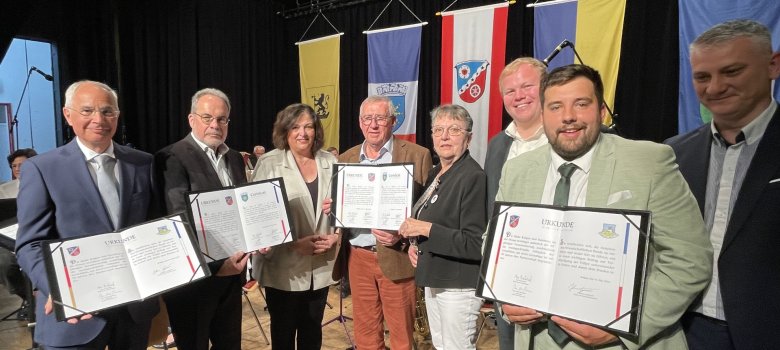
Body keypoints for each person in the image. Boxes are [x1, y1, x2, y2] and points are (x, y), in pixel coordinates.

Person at [497, 64, 712, 349]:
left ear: (601, 111)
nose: (568, 117)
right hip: (537, 340)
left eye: (581, 104)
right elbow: (497, 245)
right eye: (556, 106)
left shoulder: (649, 162)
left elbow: (689, 259)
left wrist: (624, 326)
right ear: (543, 114)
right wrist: (505, 299)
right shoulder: (516, 170)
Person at [15, 80, 158, 349]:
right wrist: (59, 291)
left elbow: (153, 227)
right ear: (68, 115)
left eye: (107, 111)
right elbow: (29, 244)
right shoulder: (42, 168)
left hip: (133, 311)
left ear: (117, 116)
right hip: (74, 314)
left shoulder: (143, 163)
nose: (98, 119)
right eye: (87, 111)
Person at [666, 19, 780, 350]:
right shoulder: (673, 153)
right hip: (681, 330)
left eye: (731, 71)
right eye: (702, 77)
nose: (714, 87)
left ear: (772, 65)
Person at [336, 95, 432, 350]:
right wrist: (332, 207)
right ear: (359, 122)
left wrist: (402, 237)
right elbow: (341, 208)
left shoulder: (417, 154)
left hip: (396, 256)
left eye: (380, 118)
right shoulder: (346, 158)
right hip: (358, 257)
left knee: (402, 337)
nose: (374, 124)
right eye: (368, 118)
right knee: (366, 335)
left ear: (393, 121)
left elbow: (427, 211)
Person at [154, 88, 248, 350]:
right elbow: (179, 220)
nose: (215, 125)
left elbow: (242, 209)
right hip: (194, 282)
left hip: (232, 274)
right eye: (207, 118)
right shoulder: (172, 157)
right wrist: (218, 266)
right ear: (191, 119)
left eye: (222, 119)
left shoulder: (234, 158)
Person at [251, 103, 340, 349]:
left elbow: (344, 209)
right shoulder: (269, 163)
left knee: (312, 333)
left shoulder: (329, 160)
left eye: (309, 126)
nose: (303, 133)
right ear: (285, 131)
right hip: (283, 267)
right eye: (296, 126)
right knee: (283, 333)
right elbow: (257, 217)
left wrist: (337, 236)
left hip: (320, 266)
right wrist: (292, 244)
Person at [398, 104, 486, 350]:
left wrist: (425, 230)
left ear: (468, 138)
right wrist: (416, 245)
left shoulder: (472, 177)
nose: (444, 136)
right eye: (438, 130)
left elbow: (475, 243)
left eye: (454, 130)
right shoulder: (438, 172)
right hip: (436, 278)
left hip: (458, 285)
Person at [483, 57, 549, 350]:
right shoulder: (498, 144)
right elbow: (491, 210)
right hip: (507, 271)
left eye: (527, 86)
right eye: (510, 91)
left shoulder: (567, 138)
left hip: (553, 270)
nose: (518, 96)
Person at [0, 148, 36, 319]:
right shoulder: (3, 190)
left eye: (22, 165)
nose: (17, 169)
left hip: (38, 238)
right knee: (4, 263)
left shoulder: (46, 184)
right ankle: (28, 298)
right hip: (10, 240)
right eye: (14, 166)